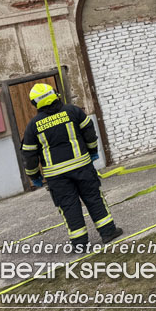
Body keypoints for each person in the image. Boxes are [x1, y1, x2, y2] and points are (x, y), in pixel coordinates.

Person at [21, 83, 123, 250]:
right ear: (55, 94)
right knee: (94, 198)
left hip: (56, 176)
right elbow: (89, 133)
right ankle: (108, 232)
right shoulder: (73, 111)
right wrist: (92, 152)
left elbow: (29, 155)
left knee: (69, 207)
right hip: (82, 167)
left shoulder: (33, 126)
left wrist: (34, 176)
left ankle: (80, 244)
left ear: (34, 103)